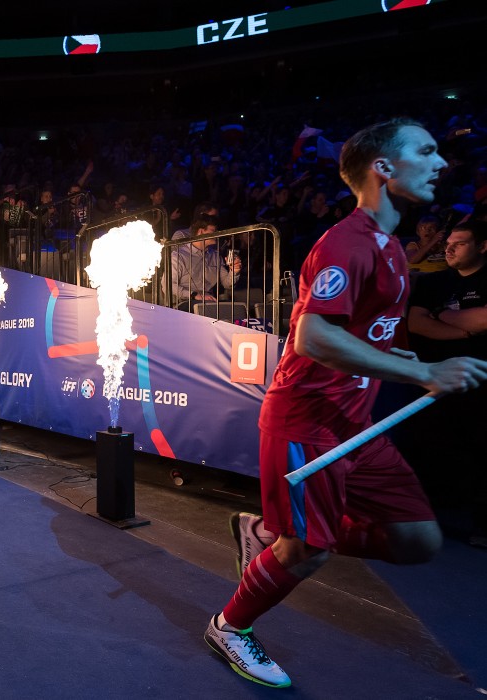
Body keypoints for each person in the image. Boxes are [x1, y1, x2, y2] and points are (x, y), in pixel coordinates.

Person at [204, 118, 487, 689]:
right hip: (305, 423)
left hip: (357, 427)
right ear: (384, 168)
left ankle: (269, 535)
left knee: (418, 541)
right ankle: (230, 626)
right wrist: (430, 367)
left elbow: (374, 339)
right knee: (307, 552)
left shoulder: (393, 250)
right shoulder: (346, 243)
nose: (440, 163)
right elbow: (314, 338)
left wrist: (417, 368)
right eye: (426, 152)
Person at [405, 219, 487, 543]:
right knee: (431, 446)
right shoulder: (432, 282)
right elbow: (416, 324)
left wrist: (442, 316)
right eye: (448, 243)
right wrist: (468, 328)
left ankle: (482, 525)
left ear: (482, 247)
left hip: (480, 381)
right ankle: (427, 517)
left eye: (460, 242)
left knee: (481, 448)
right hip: (435, 378)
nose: (449, 248)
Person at [162, 213, 241, 310]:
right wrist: (194, 295)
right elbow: (167, 286)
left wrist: (235, 271)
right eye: (213, 231)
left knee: (235, 308)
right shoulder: (178, 256)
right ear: (201, 231)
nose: (217, 234)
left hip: (208, 301)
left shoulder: (215, 255)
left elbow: (227, 284)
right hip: (184, 302)